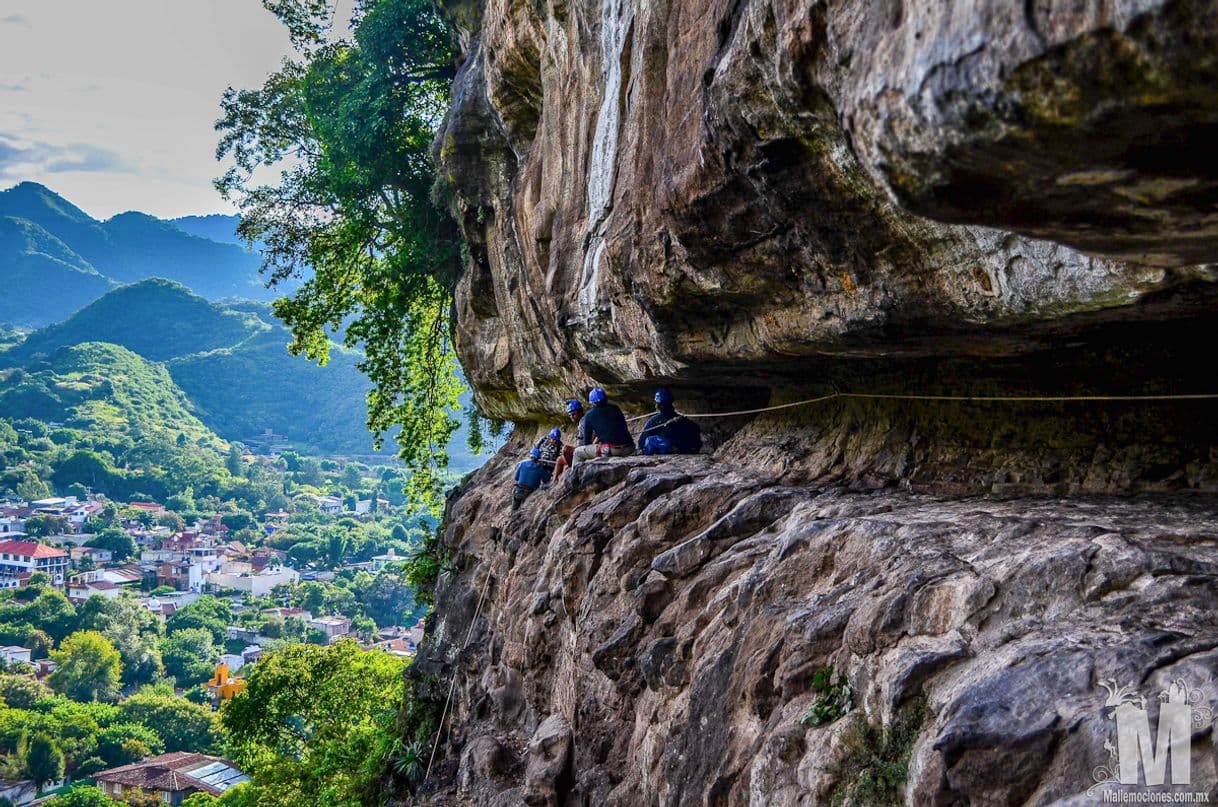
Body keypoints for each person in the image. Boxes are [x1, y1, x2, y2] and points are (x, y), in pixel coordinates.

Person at [572, 388, 634, 465]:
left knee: (577, 452)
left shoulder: (589, 415)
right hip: (629, 448)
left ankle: (575, 475)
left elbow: (587, 442)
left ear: (592, 403)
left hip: (611, 450)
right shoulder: (616, 408)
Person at [637, 387, 702, 455]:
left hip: (674, 450)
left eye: (659, 404)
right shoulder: (655, 420)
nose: (656, 406)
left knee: (652, 440)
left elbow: (641, 442)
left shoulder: (656, 420)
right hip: (679, 450)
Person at [552, 399, 585, 481]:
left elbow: (593, 436)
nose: (571, 417)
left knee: (566, 449)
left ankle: (573, 467)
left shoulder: (584, 422)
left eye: (573, 414)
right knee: (559, 459)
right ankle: (554, 480)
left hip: (584, 451)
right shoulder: (580, 422)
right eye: (570, 415)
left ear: (580, 412)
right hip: (581, 450)